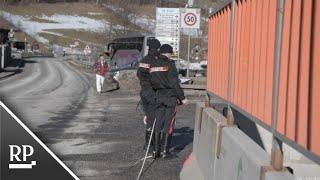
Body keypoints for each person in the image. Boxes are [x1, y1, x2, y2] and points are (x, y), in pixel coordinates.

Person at [149, 44, 188, 159]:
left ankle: (156, 151)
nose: (171, 56)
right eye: (171, 54)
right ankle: (165, 152)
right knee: (169, 124)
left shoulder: (153, 65)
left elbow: (150, 82)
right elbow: (174, 83)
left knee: (158, 123)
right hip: (170, 97)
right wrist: (182, 98)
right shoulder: (170, 64)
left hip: (158, 97)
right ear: (168, 53)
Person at [137, 39, 161, 150]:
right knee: (154, 118)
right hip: (152, 93)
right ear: (156, 48)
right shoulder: (155, 61)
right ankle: (151, 145)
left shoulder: (143, 60)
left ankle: (148, 144)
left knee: (149, 116)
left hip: (144, 92)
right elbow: (157, 78)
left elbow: (139, 74)